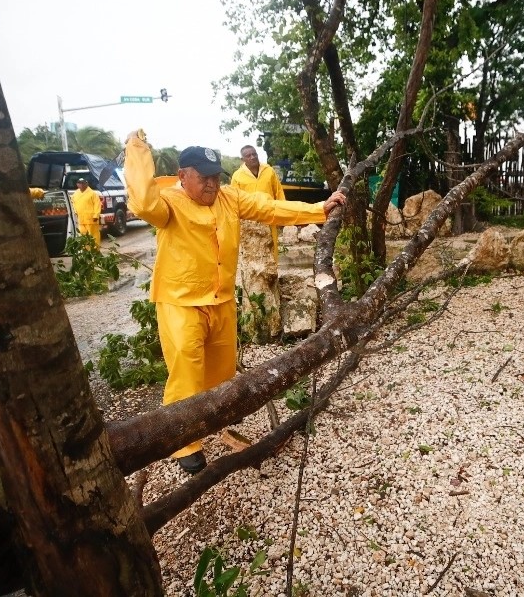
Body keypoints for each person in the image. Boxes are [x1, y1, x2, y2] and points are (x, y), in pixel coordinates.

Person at [123, 130, 346, 474]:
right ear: (183, 176)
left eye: (215, 177)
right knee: (186, 370)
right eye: (203, 178)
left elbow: (269, 207)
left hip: (221, 300)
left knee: (221, 370)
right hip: (181, 303)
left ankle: (212, 421)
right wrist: (137, 149)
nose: (211, 185)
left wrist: (319, 209)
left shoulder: (230, 197)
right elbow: (141, 202)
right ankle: (184, 443)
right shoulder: (168, 203)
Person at [231, 144, 286, 257]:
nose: (252, 157)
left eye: (254, 154)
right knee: (252, 251)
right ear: (242, 159)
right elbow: (233, 199)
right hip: (249, 220)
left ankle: (273, 272)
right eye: (248, 155)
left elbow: (278, 192)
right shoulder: (237, 176)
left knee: (272, 247)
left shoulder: (269, 171)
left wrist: (283, 214)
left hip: (269, 216)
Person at [70, 177, 102, 249]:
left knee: (93, 236)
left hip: (91, 219)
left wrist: (96, 216)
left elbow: (97, 205)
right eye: (79, 183)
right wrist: (75, 213)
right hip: (81, 220)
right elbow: (73, 203)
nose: (81, 185)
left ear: (86, 184)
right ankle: (86, 252)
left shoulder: (92, 193)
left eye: (83, 183)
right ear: (77, 184)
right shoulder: (75, 194)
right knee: (83, 236)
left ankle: (95, 251)